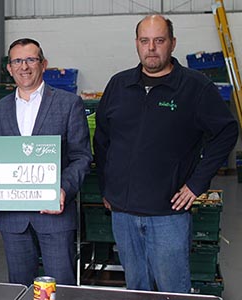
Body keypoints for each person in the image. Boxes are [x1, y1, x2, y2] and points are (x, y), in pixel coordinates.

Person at [94, 15, 238, 293]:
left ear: (172, 43)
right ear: (136, 43)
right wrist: (106, 187)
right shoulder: (118, 85)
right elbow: (102, 139)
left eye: (159, 41)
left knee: (173, 289)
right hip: (122, 213)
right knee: (136, 287)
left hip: (168, 213)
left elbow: (226, 132)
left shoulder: (195, 87)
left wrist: (196, 184)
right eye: (145, 41)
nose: (151, 48)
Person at [0, 38, 92, 286]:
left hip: (54, 214)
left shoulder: (68, 104)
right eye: (17, 61)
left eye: (31, 59)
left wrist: (63, 188)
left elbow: (81, 156)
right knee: (20, 286)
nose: (24, 66)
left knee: (61, 285)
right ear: (10, 68)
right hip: (13, 218)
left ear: (43, 64)